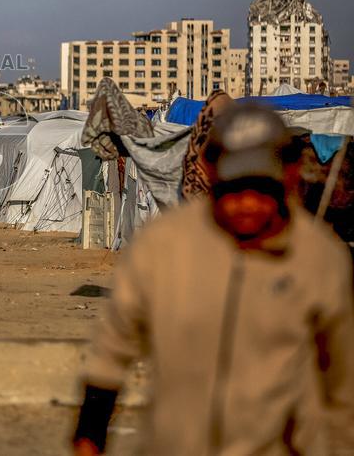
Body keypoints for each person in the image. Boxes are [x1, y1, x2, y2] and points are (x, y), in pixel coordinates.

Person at [73, 103, 354, 455]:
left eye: (262, 188)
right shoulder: (165, 247)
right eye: (235, 188)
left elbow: (342, 385)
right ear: (209, 169)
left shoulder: (319, 259)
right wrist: (90, 434)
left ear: (291, 174)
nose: (248, 204)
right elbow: (112, 348)